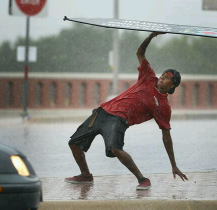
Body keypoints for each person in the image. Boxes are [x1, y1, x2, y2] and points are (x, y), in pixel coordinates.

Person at [65, 32, 188, 190]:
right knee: (74, 143)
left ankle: (142, 179)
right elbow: (140, 52)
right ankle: (86, 175)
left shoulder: (163, 106)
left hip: (119, 119)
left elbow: (166, 136)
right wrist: (150, 37)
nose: (162, 77)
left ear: (172, 87)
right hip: (102, 112)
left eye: (167, 77)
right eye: (163, 74)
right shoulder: (148, 77)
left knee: (116, 149)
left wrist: (174, 164)